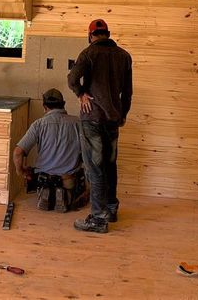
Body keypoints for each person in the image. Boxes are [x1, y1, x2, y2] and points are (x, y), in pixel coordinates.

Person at [67, 19, 133, 234]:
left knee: (95, 168)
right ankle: (111, 208)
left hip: (92, 118)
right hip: (113, 120)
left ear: (90, 35)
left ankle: (98, 218)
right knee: (110, 165)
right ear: (108, 34)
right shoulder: (124, 56)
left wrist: (81, 94)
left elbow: (72, 79)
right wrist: (123, 114)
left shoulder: (89, 53)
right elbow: (128, 92)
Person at [13, 88, 85, 213]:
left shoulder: (39, 124)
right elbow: (88, 152)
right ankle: (64, 193)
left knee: (39, 174)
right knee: (77, 176)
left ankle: (46, 191)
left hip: (44, 178)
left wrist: (22, 171)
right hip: (69, 178)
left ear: (44, 107)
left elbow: (18, 152)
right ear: (63, 104)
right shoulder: (78, 123)